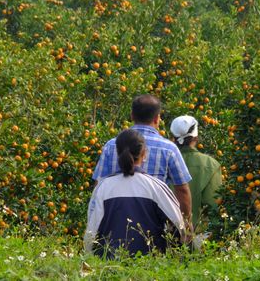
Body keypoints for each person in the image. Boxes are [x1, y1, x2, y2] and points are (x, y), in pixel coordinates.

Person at [92, 95, 193, 224]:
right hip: (153, 226)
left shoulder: (111, 145)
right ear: (157, 118)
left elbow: (98, 187)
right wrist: (186, 225)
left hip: (114, 223)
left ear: (132, 116)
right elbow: (182, 190)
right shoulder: (169, 149)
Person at [84, 129, 185, 258]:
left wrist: (89, 258)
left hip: (110, 266)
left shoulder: (103, 187)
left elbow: (91, 231)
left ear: (118, 152)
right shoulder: (156, 187)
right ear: (144, 154)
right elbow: (178, 224)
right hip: (150, 266)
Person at [170, 115, 222, 228]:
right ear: (196, 138)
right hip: (197, 235)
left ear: (173, 138)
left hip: (165, 234)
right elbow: (213, 204)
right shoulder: (211, 164)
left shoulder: (165, 161)